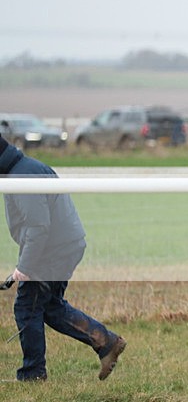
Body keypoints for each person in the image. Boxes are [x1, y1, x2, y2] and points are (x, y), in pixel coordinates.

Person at [0, 136, 126, 382]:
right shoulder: (26, 167)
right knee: (50, 307)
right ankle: (106, 342)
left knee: (27, 307)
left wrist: (24, 267)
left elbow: (38, 227)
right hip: (63, 246)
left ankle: (33, 374)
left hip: (53, 251)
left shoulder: (22, 176)